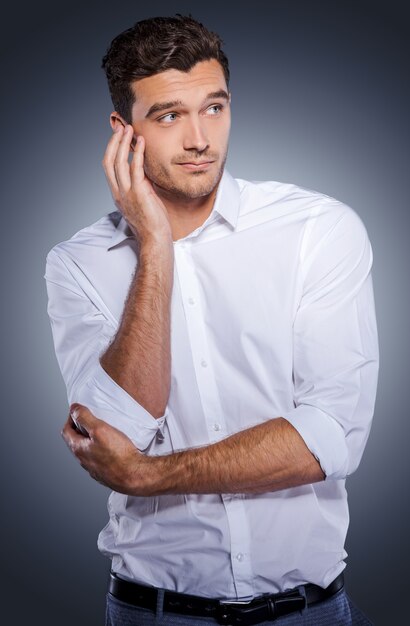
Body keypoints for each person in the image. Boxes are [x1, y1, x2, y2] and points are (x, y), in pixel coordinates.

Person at [45, 14, 379, 626]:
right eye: (170, 115)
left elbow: (332, 435)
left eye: (215, 107)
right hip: (156, 613)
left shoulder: (317, 230)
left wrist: (145, 477)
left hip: (308, 612)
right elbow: (118, 433)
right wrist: (156, 246)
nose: (201, 138)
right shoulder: (79, 264)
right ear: (124, 131)